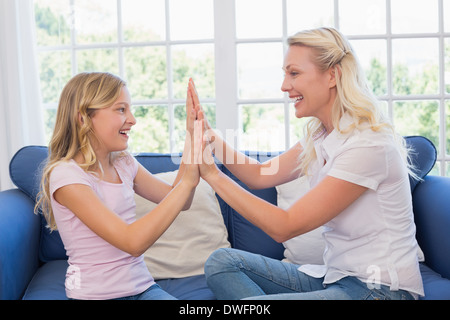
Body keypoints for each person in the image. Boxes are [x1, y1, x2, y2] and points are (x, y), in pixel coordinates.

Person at [190, 27, 424, 300]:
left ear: (332, 76)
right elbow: (260, 174)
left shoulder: (368, 145)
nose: (284, 85)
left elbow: (284, 226)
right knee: (222, 263)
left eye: (294, 73)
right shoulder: (321, 135)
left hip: (380, 289)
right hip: (335, 278)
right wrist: (208, 135)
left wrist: (212, 175)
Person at [35, 72, 200, 300]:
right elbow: (132, 242)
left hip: (143, 289)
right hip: (95, 296)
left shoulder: (123, 162)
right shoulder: (66, 175)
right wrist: (187, 182)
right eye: (121, 109)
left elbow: (182, 200)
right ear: (83, 118)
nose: (132, 119)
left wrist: (192, 134)